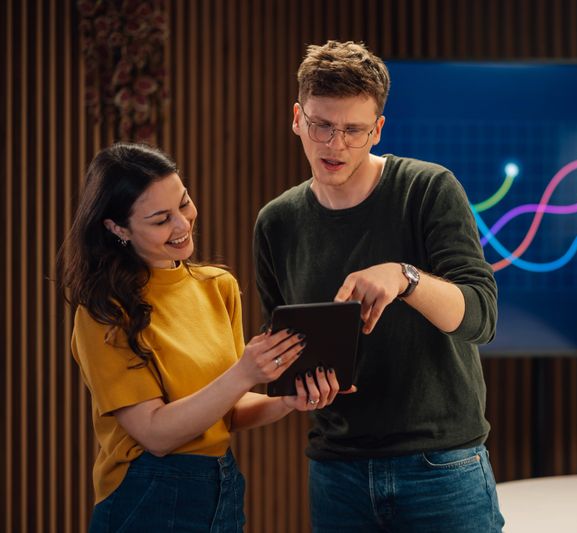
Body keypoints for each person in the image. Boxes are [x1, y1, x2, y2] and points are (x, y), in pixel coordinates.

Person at [253, 41, 504, 531]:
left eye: (353, 130)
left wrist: (404, 277)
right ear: (297, 118)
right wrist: (300, 386)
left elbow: (480, 317)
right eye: (322, 125)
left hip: (441, 466)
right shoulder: (276, 222)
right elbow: (282, 346)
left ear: (378, 129)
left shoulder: (428, 189)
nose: (335, 144)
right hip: (337, 471)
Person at [58, 142, 350, 532]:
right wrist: (246, 372)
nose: (182, 224)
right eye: (161, 219)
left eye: (184, 203)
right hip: (146, 492)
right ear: (117, 228)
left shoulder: (218, 286)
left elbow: (226, 408)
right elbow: (156, 434)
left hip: (222, 482)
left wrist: (286, 401)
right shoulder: (104, 312)